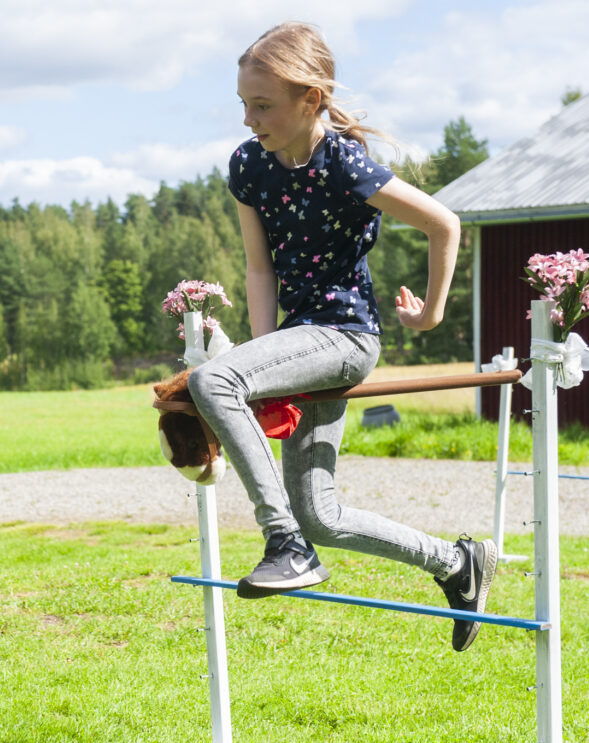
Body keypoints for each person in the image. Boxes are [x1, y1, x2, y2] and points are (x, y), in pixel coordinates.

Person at [187, 21, 497, 651]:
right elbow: (258, 268)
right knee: (320, 513)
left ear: (311, 99)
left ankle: (283, 542)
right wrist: (261, 367)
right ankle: (458, 564)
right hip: (295, 346)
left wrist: (432, 314)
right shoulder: (249, 165)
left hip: (345, 337)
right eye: (243, 104)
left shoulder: (345, 163)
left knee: (210, 377)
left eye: (263, 105)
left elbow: (444, 223)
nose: (249, 119)